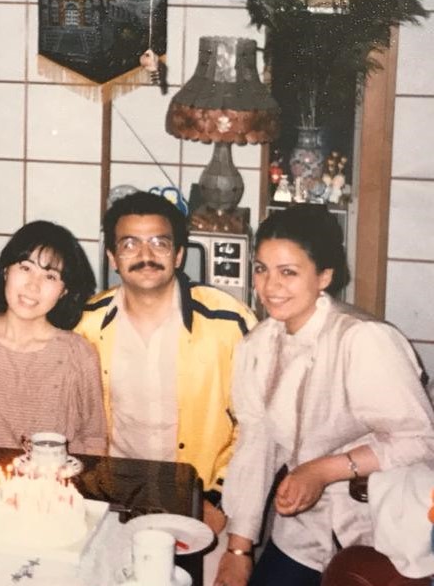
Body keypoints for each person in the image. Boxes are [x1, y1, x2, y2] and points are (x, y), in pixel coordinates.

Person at [215, 205, 434, 586]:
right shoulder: (257, 346)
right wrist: (239, 548)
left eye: (288, 272)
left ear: (324, 276)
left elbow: (420, 441)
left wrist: (321, 470)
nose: (269, 286)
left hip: (378, 535)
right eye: (262, 268)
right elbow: (257, 446)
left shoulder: (363, 340)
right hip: (299, 532)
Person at [74, 191, 256, 571]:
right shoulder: (86, 324)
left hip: (204, 503)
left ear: (178, 254)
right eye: (130, 243)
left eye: (159, 242)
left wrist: (220, 500)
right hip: (116, 501)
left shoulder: (228, 321)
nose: (146, 254)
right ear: (112, 257)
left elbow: (256, 426)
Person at [0, 220, 106, 454]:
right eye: (25, 268)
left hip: (56, 483)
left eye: (50, 276)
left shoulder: (78, 353)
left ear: (64, 291)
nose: (33, 286)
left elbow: (94, 438)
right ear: (6, 270)